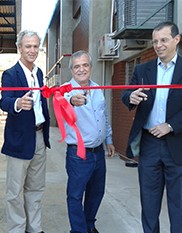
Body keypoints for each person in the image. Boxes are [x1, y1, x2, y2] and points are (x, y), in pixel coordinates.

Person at [121, 21, 182, 233]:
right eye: (155, 41)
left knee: (179, 205)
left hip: (177, 145)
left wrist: (171, 125)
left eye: (163, 40)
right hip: (149, 145)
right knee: (149, 203)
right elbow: (125, 94)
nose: (158, 45)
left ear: (177, 39)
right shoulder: (142, 69)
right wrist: (132, 96)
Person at [0, 30, 50, 233]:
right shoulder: (10, 74)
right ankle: (17, 229)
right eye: (28, 46)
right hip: (19, 140)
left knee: (36, 189)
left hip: (39, 137)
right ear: (19, 48)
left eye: (36, 46)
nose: (32, 50)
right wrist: (18, 103)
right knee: (14, 192)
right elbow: (4, 100)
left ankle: (34, 229)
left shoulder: (38, 73)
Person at [63, 50, 115, 233]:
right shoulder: (65, 90)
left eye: (85, 65)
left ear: (91, 67)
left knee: (96, 193)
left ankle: (89, 225)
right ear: (71, 70)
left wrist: (109, 139)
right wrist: (71, 100)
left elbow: (104, 116)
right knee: (75, 196)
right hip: (79, 154)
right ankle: (78, 230)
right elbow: (60, 100)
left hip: (98, 153)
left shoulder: (98, 89)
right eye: (77, 66)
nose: (81, 69)